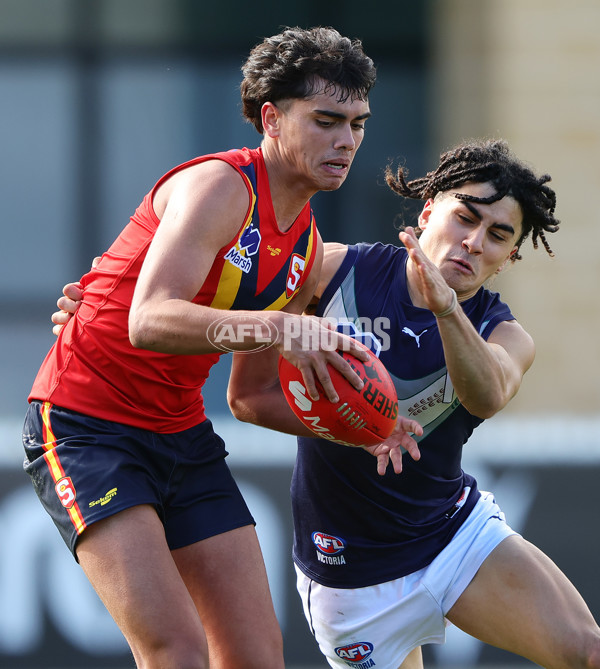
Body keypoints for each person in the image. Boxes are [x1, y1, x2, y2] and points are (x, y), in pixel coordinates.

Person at [24, 26, 421, 669]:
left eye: (358, 123)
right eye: (325, 120)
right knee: (175, 650)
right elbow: (148, 319)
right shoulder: (221, 186)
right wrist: (277, 326)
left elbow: (252, 396)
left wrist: (368, 430)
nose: (346, 141)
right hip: (86, 428)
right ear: (271, 117)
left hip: (181, 435)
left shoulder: (306, 246)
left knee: (255, 656)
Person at [226, 139, 600, 669]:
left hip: (452, 537)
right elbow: (246, 396)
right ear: (428, 212)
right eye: (464, 217)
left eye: (498, 235)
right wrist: (106, 301)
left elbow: (487, 394)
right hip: (349, 575)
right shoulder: (330, 273)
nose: (473, 242)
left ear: (510, 256)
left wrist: (446, 309)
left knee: (589, 651)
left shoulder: (507, 335)